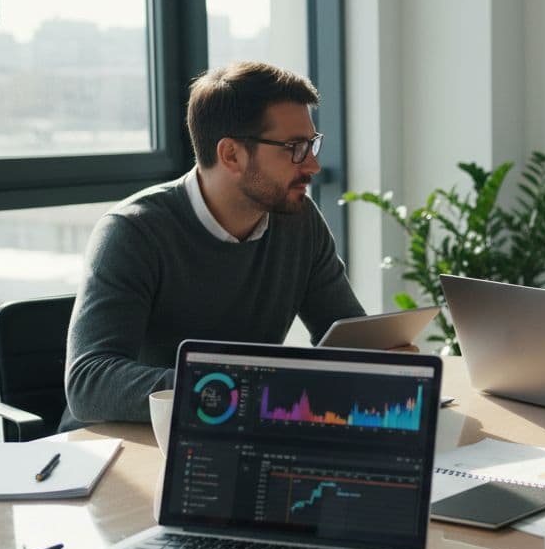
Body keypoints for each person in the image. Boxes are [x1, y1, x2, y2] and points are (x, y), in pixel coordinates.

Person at [64, 61, 366, 428]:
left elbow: (346, 333)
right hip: (127, 447)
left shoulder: (298, 221)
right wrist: (238, 389)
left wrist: (384, 362)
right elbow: (89, 384)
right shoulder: (133, 232)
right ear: (231, 155)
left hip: (236, 433)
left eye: (311, 144)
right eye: (295, 148)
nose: (313, 165)